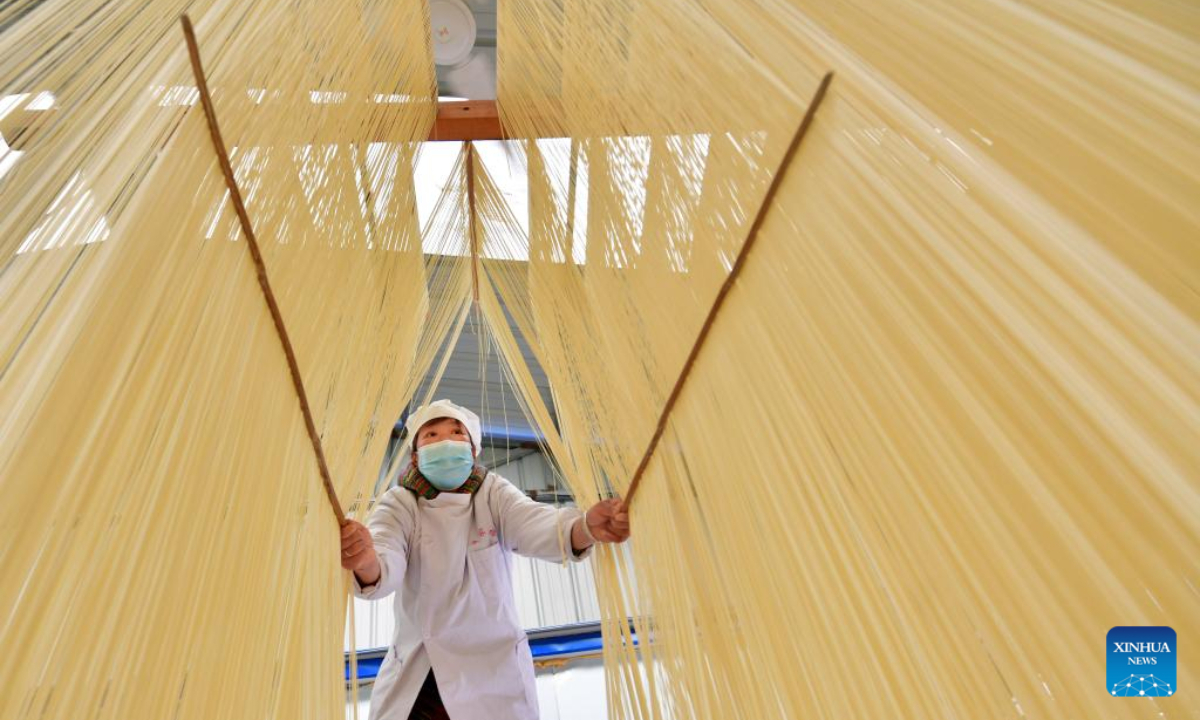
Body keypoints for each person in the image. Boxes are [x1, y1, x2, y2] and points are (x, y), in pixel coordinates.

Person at [340, 399, 631, 720]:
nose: (445, 441)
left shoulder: (493, 493)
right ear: (415, 455)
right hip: (423, 675)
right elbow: (384, 563)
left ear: (474, 451)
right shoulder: (400, 502)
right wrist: (363, 557)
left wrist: (587, 526)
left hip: (494, 673)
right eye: (432, 435)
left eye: (456, 433)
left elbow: (538, 526)